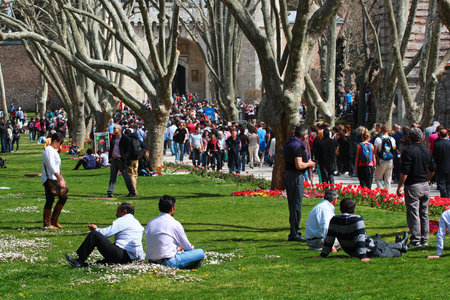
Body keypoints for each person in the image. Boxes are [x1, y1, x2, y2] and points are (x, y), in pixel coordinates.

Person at [319, 198, 408, 262]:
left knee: (380, 243)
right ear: (354, 210)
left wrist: (323, 255)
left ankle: (400, 244)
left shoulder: (334, 219)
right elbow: (360, 238)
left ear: (340, 209)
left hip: (351, 250)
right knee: (396, 253)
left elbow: (329, 239)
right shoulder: (357, 219)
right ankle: (401, 246)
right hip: (369, 250)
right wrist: (363, 256)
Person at [65, 203, 145, 268]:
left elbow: (106, 233)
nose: (116, 215)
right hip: (128, 258)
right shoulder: (137, 224)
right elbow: (138, 244)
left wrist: (96, 229)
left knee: (94, 235)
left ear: (124, 212)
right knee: (98, 263)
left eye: (118, 212)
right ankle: (85, 264)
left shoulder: (124, 220)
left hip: (120, 254)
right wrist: (141, 259)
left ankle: (79, 261)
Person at [396, 128, 436, 248]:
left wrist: (399, 186)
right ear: (421, 138)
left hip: (413, 185)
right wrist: (428, 179)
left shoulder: (409, 151)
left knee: (413, 213)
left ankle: (416, 239)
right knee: (424, 213)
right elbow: (432, 168)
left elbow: (405, 171)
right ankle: (424, 239)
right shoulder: (426, 151)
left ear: (409, 138)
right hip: (424, 185)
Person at [145, 195, 204, 269]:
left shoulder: (150, 223)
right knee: (200, 252)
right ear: (172, 208)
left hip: (152, 262)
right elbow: (188, 247)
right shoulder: (174, 223)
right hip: (168, 262)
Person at [283, 124, 316, 242]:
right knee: (296, 205)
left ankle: (294, 231)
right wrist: (309, 164)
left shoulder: (289, 143)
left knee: (292, 205)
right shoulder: (298, 146)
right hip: (296, 176)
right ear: (304, 135)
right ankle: (294, 232)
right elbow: (299, 165)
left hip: (288, 174)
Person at [41, 133, 67, 229]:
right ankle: (47, 223)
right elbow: (51, 165)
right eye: (59, 143)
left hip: (55, 178)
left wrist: (61, 177)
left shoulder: (54, 151)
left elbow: (57, 166)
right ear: (55, 141)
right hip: (49, 178)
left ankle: (54, 220)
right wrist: (59, 177)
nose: (60, 145)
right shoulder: (48, 151)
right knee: (50, 199)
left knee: (63, 197)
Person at [104, 124, 136, 198]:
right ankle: (110, 192)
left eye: (115, 128)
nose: (114, 129)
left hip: (121, 161)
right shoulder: (113, 138)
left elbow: (129, 150)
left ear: (119, 129)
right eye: (114, 128)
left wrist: (123, 158)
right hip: (114, 160)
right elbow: (111, 148)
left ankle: (132, 192)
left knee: (126, 177)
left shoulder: (125, 138)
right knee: (112, 177)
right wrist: (110, 157)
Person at [374, 125, 396, 191]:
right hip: (390, 160)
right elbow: (394, 148)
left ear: (381, 130)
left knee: (378, 178)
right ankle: (388, 194)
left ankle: (382, 191)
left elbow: (375, 152)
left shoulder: (378, 139)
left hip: (381, 160)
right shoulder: (392, 139)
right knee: (388, 179)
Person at [431, 129, 449, 198]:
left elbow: (434, 156)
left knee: (441, 183)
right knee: (448, 183)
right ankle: (448, 196)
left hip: (440, 166)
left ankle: (444, 196)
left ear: (439, 135)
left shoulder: (437, 144)